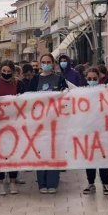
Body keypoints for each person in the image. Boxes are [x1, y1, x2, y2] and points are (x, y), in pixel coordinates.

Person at [29, 53, 67, 194]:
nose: (46, 64)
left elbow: (66, 98)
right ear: (40, 64)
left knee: (53, 152)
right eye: (43, 62)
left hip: (55, 123)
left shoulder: (60, 79)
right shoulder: (35, 79)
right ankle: (42, 183)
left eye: (48, 61)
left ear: (53, 63)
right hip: (39, 124)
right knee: (41, 152)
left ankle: (52, 182)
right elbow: (27, 99)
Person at [0, 60, 22, 196]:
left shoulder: (19, 84)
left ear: (13, 72)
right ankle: (0, 182)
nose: (6, 74)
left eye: (9, 72)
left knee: (13, 152)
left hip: (14, 123)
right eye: (4, 72)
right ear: (0, 71)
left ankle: (13, 180)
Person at [80, 67, 108, 196]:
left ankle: (105, 184)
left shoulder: (105, 92)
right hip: (88, 130)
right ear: (85, 79)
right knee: (90, 158)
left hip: (103, 130)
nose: (92, 80)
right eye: (89, 79)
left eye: (94, 78)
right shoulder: (81, 93)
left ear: (99, 79)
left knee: (104, 157)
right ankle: (90, 183)